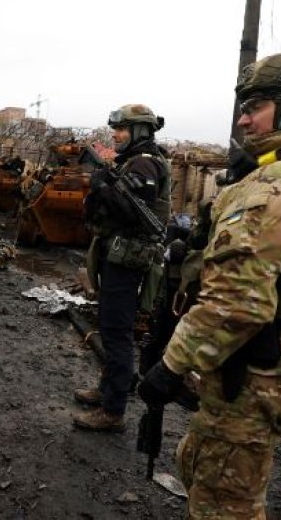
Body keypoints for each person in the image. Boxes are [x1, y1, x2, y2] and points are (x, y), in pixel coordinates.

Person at [139, 51, 281, 518]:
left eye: (255, 105)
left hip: (254, 365)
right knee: (207, 468)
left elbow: (239, 301)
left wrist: (170, 366)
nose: (243, 118)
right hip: (273, 357)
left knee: (223, 499)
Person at [73, 104, 171, 432]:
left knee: (117, 331)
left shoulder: (145, 164)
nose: (116, 135)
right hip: (118, 254)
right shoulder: (133, 161)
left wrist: (101, 185)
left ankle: (113, 410)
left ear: (140, 131)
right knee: (111, 324)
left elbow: (131, 212)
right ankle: (106, 391)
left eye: (122, 129)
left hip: (128, 259)